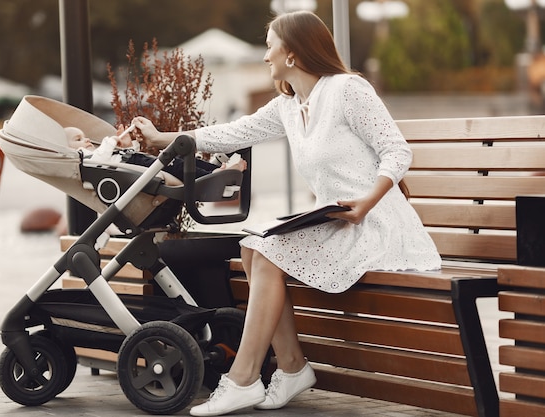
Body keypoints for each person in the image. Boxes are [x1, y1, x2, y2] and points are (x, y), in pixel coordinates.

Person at [130, 10, 442, 417]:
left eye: (269, 46)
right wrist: (161, 138)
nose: (265, 57)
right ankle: (291, 367)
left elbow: (398, 151)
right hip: (335, 222)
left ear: (292, 54)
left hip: (378, 224)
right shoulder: (289, 107)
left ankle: (244, 378)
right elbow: (230, 133)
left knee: (266, 250)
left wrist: (366, 202)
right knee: (254, 246)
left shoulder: (348, 89)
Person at [64, 126, 247, 184]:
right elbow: (100, 160)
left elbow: (123, 156)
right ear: (69, 148)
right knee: (176, 166)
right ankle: (212, 177)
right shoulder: (82, 157)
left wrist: (128, 144)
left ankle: (218, 169)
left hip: (136, 162)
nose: (86, 139)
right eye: (78, 139)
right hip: (139, 167)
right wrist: (109, 141)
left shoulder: (93, 152)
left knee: (182, 161)